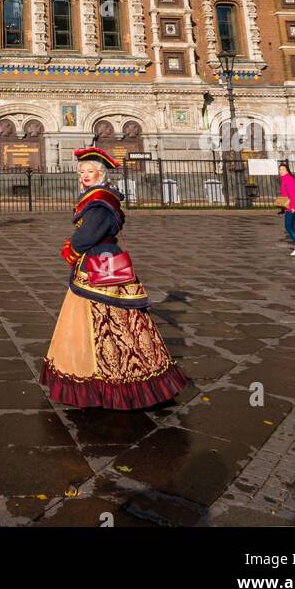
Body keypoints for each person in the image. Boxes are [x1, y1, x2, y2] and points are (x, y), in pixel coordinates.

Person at [40, 147, 189, 409]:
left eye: (89, 171)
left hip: (97, 267)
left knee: (102, 324)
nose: (84, 176)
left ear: (101, 174)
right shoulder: (100, 198)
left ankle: (110, 381)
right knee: (120, 324)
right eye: (81, 172)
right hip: (103, 261)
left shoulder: (99, 201)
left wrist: (71, 249)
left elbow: (88, 235)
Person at [278, 160, 295, 256]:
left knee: (288, 227)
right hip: (291, 207)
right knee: (294, 228)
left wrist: (293, 207)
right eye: (280, 170)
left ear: (287, 171)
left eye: (283, 169)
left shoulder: (288, 179)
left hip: (292, 208)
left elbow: (292, 194)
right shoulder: (285, 179)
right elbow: (285, 196)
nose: (281, 171)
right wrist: (282, 209)